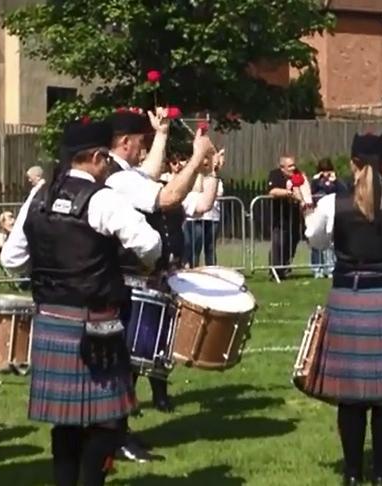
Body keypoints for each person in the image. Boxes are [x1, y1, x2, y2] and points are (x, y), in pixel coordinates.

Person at [0, 119, 167, 486]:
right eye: (105, 158)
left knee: (66, 420)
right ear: (94, 156)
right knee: (106, 420)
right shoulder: (102, 198)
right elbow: (150, 244)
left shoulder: (39, 196)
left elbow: (11, 259)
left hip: (51, 319)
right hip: (96, 321)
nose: (107, 165)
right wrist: (147, 263)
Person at [302, 133, 382, 486]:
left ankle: (353, 474)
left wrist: (308, 209)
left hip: (347, 298)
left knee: (352, 397)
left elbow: (315, 240)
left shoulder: (331, 205)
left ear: (352, 163)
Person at [101, 108, 223, 461]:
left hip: (133, 278)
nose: (145, 148)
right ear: (125, 142)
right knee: (123, 363)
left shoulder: (121, 173)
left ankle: (119, 433)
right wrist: (198, 156)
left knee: (129, 363)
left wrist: (167, 135)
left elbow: (149, 176)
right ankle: (114, 437)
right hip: (123, 279)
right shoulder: (118, 178)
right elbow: (166, 196)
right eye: (142, 141)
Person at [268, 155, 310, 279]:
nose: (293, 168)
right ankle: (275, 271)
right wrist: (289, 194)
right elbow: (272, 191)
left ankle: (285, 267)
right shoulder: (275, 175)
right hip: (279, 217)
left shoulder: (298, 174)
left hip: (295, 216)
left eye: (294, 165)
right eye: (290, 166)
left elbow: (304, 186)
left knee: (292, 242)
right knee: (279, 243)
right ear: (282, 167)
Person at [310, 160, 340, 278]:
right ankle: (317, 269)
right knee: (316, 241)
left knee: (330, 242)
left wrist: (335, 181)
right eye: (323, 171)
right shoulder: (316, 182)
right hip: (317, 213)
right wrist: (316, 180)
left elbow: (343, 191)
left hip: (331, 214)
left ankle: (330, 268)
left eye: (328, 170)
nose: (326, 174)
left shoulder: (335, 183)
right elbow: (311, 192)